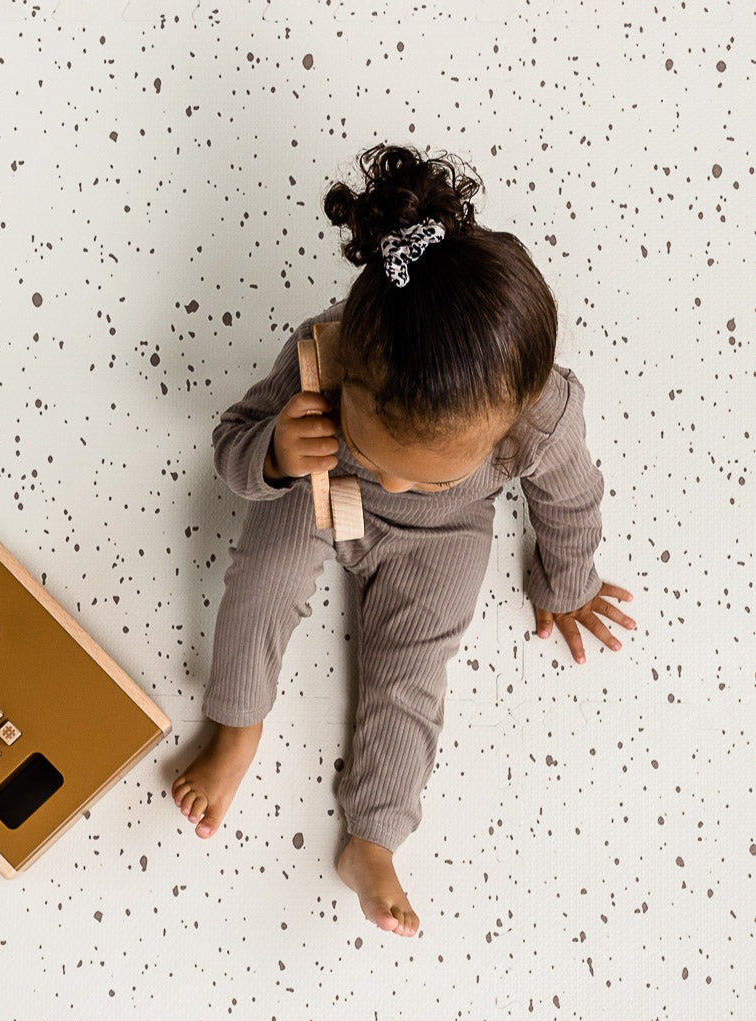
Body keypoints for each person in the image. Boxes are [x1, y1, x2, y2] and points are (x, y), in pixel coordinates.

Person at [171, 144, 636, 937]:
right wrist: (279, 456)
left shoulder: (540, 415)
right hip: (319, 493)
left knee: (412, 671)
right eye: (378, 453)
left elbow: (570, 498)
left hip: (443, 540)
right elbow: (230, 446)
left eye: (421, 474)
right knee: (263, 581)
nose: (390, 485)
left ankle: (374, 838)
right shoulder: (326, 351)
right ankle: (238, 720)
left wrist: (568, 582)